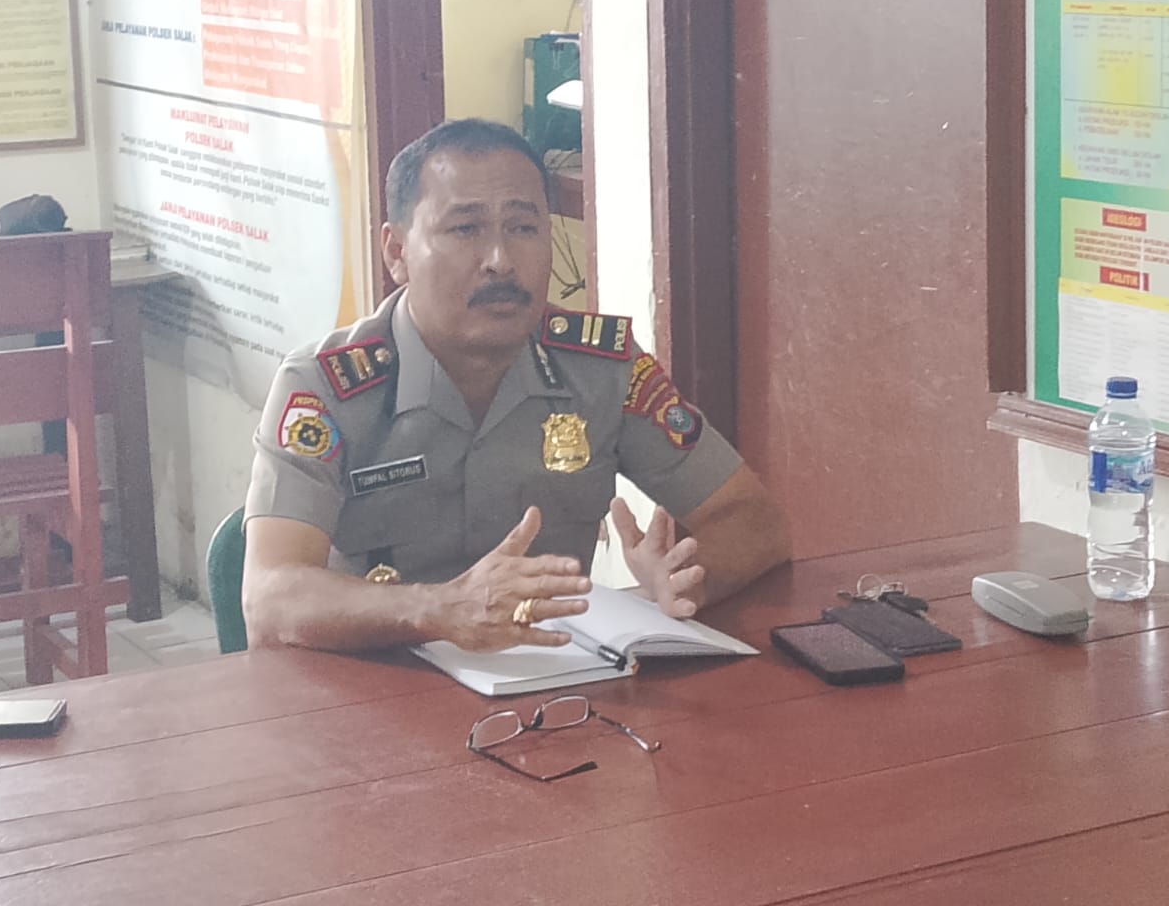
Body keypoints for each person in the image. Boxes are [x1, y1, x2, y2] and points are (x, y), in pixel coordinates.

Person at [242, 118, 791, 652]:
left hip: (557, 684)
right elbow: (269, 598)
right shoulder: (323, 388)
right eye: (465, 229)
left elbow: (755, 523)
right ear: (396, 252)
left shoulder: (603, 370)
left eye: (524, 228)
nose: (500, 261)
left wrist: (687, 581)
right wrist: (440, 610)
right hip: (375, 686)